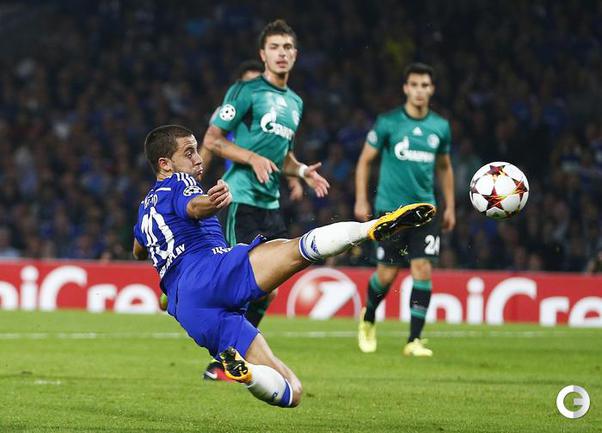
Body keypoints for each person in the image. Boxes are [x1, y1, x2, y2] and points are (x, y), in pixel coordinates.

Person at [133, 124, 435, 407]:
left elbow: (138, 250)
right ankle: (369, 228)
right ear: (165, 164)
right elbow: (194, 207)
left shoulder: (144, 210)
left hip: (189, 309)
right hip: (211, 272)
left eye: (197, 150)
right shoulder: (180, 182)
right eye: (189, 153)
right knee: (296, 250)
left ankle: (248, 374)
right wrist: (212, 203)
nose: (198, 159)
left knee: (292, 392)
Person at [202, 22, 325, 337]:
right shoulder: (246, 91)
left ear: (295, 54)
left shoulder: (295, 103)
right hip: (241, 199)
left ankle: (233, 347)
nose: (281, 53)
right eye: (274, 47)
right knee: (240, 282)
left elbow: (283, 156)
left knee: (268, 289)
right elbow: (213, 140)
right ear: (263, 54)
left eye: (287, 47)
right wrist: (252, 158)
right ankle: (223, 344)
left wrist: (301, 171)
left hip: (270, 205)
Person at [354, 62, 455, 357]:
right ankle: (368, 316)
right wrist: (361, 199)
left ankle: (414, 340)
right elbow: (365, 161)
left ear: (432, 89)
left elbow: (445, 167)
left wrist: (450, 206)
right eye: (414, 85)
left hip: (426, 210)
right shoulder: (388, 123)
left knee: (422, 268)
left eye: (425, 85)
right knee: (386, 275)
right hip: (392, 211)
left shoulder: (440, 127)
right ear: (406, 88)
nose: (419, 90)